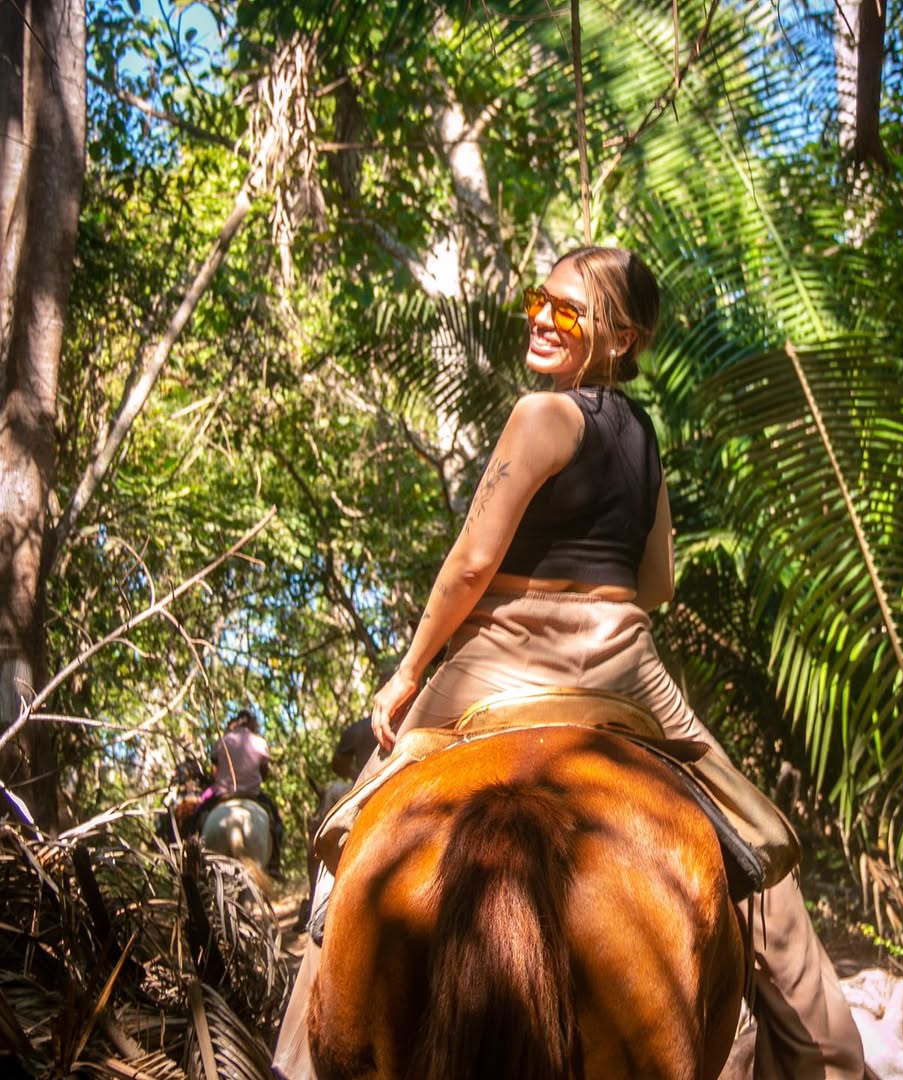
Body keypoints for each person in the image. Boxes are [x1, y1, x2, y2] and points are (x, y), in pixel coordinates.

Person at [273, 246, 865, 1078]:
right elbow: (655, 583)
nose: (543, 321)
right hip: (625, 666)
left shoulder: (540, 417)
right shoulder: (644, 435)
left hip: (500, 654)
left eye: (567, 312)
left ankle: (296, 1058)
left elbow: (472, 566)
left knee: (350, 839)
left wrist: (408, 673)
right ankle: (829, 1061)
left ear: (620, 339)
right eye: (537, 302)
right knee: (760, 850)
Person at [200, 708, 286, 880]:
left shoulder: (223, 740)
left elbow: (214, 770)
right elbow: (264, 774)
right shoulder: (259, 742)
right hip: (252, 796)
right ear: (252, 723)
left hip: (223, 797)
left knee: (196, 819)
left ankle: (196, 864)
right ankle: (274, 863)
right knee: (276, 823)